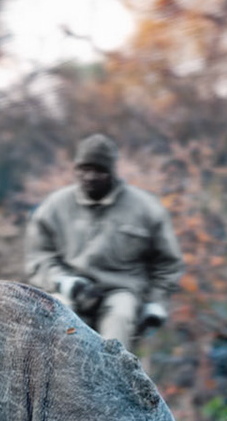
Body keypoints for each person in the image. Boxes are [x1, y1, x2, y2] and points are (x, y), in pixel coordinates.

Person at [26, 133, 185, 346]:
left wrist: (155, 303)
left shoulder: (145, 208)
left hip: (121, 290)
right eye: (84, 169)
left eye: (99, 170)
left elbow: (168, 263)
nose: (90, 177)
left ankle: (111, 377)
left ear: (112, 172)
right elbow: (38, 256)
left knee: (118, 326)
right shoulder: (54, 207)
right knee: (57, 325)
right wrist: (62, 280)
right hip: (72, 289)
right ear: (75, 170)